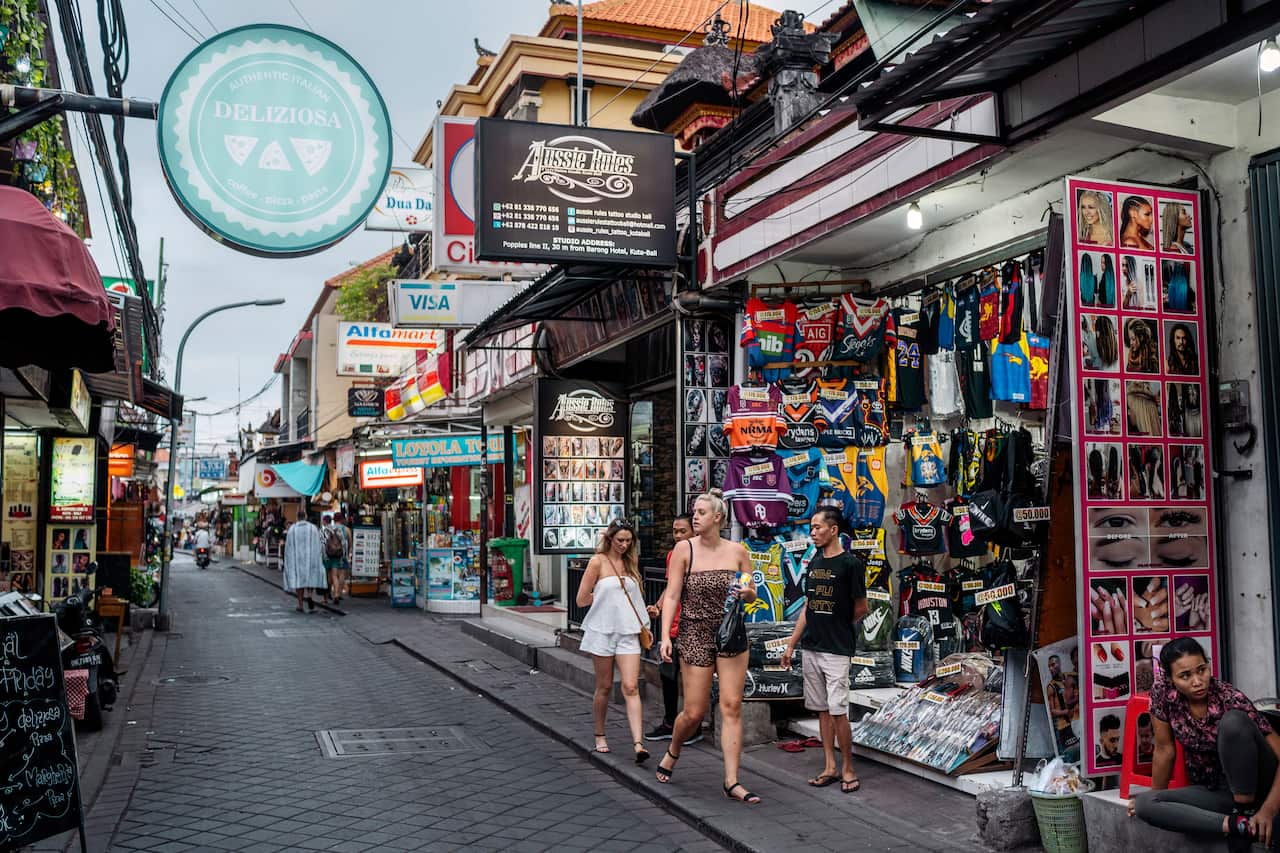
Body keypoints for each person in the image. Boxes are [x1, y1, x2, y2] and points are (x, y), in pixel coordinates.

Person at [655, 490, 761, 804]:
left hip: (730, 633)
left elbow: (751, 590)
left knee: (731, 705)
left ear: (718, 518)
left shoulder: (738, 551)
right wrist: (665, 636)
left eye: (701, 512)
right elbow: (672, 595)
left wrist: (748, 595)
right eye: (694, 512)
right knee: (694, 711)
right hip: (695, 632)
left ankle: (732, 780)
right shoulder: (684, 549)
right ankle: (674, 750)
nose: (695, 517)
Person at [1131, 637, 1280, 849]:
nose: (1197, 681)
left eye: (1202, 670)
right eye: (1185, 675)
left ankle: (1245, 812)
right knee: (1145, 804)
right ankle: (1238, 825)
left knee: (1233, 722)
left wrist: (1268, 811)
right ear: (1170, 679)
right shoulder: (1163, 693)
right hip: (1218, 791)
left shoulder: (1229, 698)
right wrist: (1159, 796)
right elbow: (1165, 750)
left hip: (1260, 787)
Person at [780, 507, 867, 794]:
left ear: (833, 530)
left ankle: (848, 768)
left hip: (836, 649)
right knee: (821, 710)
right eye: (811, 528)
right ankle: (830, 765)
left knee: (839, 709)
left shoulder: (850, 564)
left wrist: (839, 625)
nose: (813, 532)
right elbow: (808, 605)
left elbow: (861, 607)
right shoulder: (815, 561)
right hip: (811, 646)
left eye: (818, 527)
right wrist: (792, 644)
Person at [575, 520, 650, 763]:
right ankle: (599, 733)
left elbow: (634, 598)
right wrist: (601, 597)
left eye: (628, 541)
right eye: (620, 540)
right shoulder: (598, 561)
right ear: (610, 539)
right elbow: (580, 600)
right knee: (605, 686)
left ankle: (639, 743)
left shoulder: (631, 562)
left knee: (631, 686)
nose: (624, 545)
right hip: (603, 631)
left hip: (628, 632)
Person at [644, 513, 704, 745]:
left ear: (695, 532)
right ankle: (670, 723)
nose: (677, 536)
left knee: (692, 682)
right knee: (667, 677)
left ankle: (693, 727)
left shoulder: (704, 555)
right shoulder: (673, 555)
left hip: (694, 628)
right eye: (675, 531)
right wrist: (658, 607)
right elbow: (671, 589)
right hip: (672, 627)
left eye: (682, 531)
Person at [282, 509, 326, 613]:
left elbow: (288, 547)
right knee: (310, 578)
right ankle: (310, 595)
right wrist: (319, 558)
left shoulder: (292, 529)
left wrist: (288, 561)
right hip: (311, 559)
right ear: (305, 516)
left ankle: (300, 605)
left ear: (297, 517)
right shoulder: (313, 528)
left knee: (299, 582)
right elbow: (318, 545)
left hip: (297, 560)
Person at [320, 513, 346, 604]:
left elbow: (322, 545)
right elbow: (343, 543)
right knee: (335, 576)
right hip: (336, 555)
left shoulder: (323, 530)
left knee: (327, 577)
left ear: (324, 521)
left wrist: (323, 556)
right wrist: (343, 555)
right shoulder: (337, 529)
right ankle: (336, 595)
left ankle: (325, 598)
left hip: (327, 556)